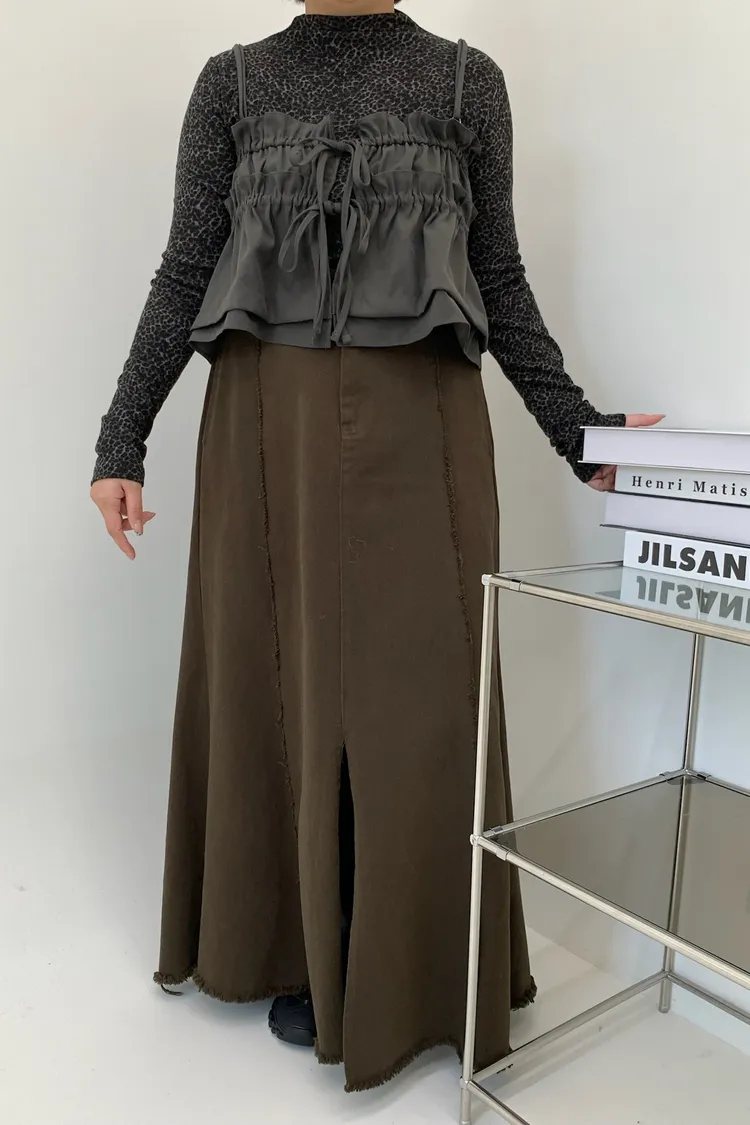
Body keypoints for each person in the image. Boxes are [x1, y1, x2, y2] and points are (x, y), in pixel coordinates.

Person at [90, 0, 661, 1094]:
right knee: (277, 688)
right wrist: (124, 438)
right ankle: (295, 949)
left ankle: (413, 972)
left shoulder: (466, 83)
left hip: (426, 428)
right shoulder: (232, 85)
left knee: (425, 705)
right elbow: (185, 269)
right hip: (265, 434)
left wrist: (578, 432)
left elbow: (498, 274)